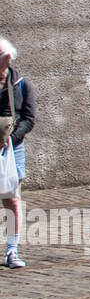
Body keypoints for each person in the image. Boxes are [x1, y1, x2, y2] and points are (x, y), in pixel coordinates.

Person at [0, 37, 34, 268]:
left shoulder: (21, 83)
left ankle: (12, 250)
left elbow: (29, 118)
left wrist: (9, 140)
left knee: (11, 199)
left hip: (12, 147)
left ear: (7, 58)